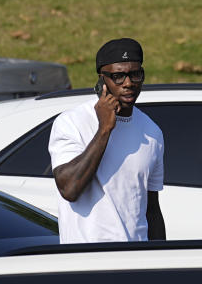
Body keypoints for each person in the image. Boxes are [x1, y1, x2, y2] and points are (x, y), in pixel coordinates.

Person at [47, 37, 166, 243]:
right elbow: (69, 189)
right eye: (118, 76)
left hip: (135, 260)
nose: (128, 83)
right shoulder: (72, 122)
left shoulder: (152, 132)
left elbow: (152, 210)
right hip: (87, 262)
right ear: (102, 80)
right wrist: (104, 129)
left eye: (135, 74)